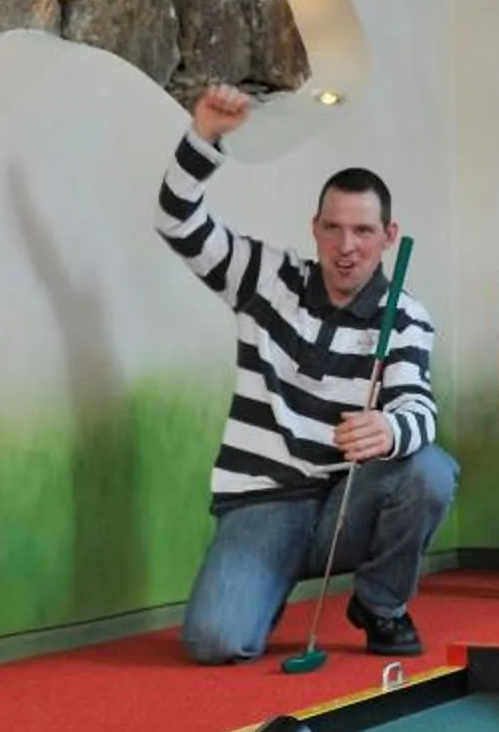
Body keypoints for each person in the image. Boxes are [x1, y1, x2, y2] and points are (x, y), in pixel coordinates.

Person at [159, 82, 458, 662]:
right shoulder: (265, 278)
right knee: (214, 644)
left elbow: (418, 409)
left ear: (388, 237)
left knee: (429, 470)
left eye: (364, 231)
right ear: (315, 227)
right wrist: (204, 137)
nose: (347, 247)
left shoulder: (406, 315)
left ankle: (381, 605)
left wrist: (388, 431)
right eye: (333, 228)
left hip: (350, 501)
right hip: (263, 502)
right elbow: (177, 223)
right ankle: (262, 580)